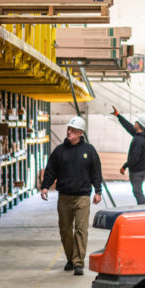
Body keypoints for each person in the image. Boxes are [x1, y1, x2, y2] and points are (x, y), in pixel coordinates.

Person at [40, 116, 103, 275]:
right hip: (64, 197)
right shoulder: (59, 151)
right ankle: (70, 257)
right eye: (69, 129)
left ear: (80, 133)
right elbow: (51, 170)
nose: (69, 132)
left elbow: (96, 172)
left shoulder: (89, 151)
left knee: (81, 230)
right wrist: (45, 187)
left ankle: (78, 263)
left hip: (82, 197)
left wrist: (98, 191)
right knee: (65, 230)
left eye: (73, 130)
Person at [111, 106, 145, 205]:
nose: (134, 123)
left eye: (136, 123)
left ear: (139, 125)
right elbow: (128, 127)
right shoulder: (143, 134)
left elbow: (134, 158)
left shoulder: (138, 140)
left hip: (137, 171)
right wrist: (119, 116)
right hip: (141, 169)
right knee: (138, 191)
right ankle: (144, 209)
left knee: (137, 192)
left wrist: (124, 166)